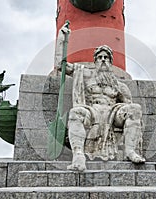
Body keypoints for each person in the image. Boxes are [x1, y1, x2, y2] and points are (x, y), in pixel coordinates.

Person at [56, 25, 145, 171]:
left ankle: (130, 151)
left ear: (110, 62)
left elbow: (128, 106)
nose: (103, 60)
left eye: (106, 58)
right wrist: (61, 40)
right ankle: (78, 156)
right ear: (95, 61)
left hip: (113, 112)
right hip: (93, 111)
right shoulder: (86, 74)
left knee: (135, 109)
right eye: (100, 57)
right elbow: (61, 65)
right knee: (75, 112)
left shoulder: (119, 85)